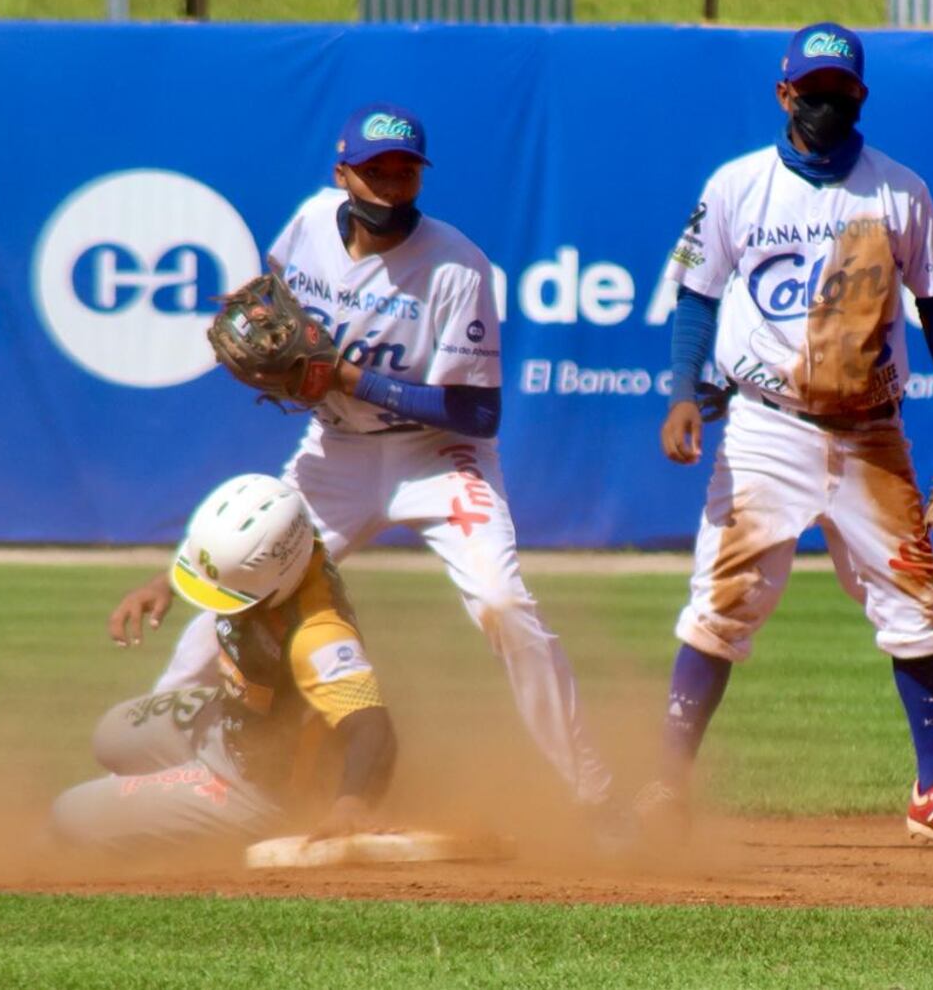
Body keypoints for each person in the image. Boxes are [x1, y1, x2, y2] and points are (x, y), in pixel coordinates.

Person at [109, 102, 614, 817]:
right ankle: (148, 767)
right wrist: (172, 574)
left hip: (441, 460)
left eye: (404, 171)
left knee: (505, 605)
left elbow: (477, 412)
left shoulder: (457, 266)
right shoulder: (311, 223)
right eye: (375, 171)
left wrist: (347, 377)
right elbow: (271, 302)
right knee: (235, 590)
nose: (390, 185)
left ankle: (594, 799)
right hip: (337, 454)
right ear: (343, 172)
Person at [634, 23, 933, 852]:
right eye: (811, 92)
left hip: (872, 436)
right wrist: (680, 395)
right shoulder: (737, 187)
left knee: (918, 610)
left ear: (861, 98)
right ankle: (665, 787)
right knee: (721, 607)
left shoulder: (899, 192)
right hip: (766, 429)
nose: (824, 105)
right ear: (783, 95)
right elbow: (696, 296)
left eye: (839, 93)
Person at [53, 473, 396, 854]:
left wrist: (352, 804)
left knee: (68, 814)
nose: (213, 601)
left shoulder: (319, 636)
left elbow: (372, 727)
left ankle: (179, 805)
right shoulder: (289, 552)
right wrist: (161, 586)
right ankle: (165, 793)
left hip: (258, 785)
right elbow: (218, 562)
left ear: (274, 578)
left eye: (229, 593)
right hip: (229, 720)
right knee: (109, 733)